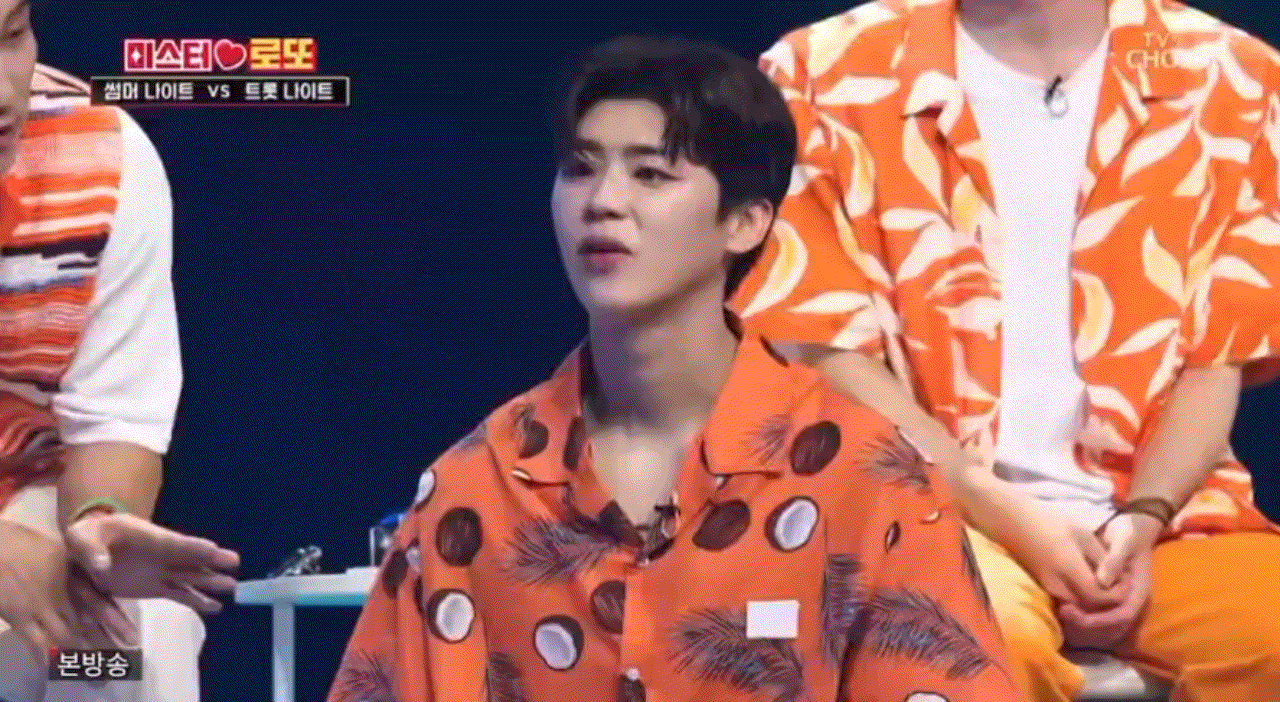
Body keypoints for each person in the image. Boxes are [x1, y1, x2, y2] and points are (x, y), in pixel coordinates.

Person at [328, 35, 1024, 702]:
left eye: (651, 174)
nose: (603, 201)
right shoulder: (474, 488)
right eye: (580, 168)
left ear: (746, 222)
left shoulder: (864, 479)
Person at [731, 0, 1280, 700]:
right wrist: (992, 504)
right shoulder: (823, 72)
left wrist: (1145, 518)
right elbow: (823, 352)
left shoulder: (1232, 74)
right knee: (972, 643)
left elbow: (1217, 359)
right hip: (923, 510)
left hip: (1172, 521)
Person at [0, 1, 240, 700]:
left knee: (133, 642)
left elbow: (115, 425)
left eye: (12, 35)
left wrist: (97, 526)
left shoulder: (102, 159)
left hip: (25, 502)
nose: (6, 93)